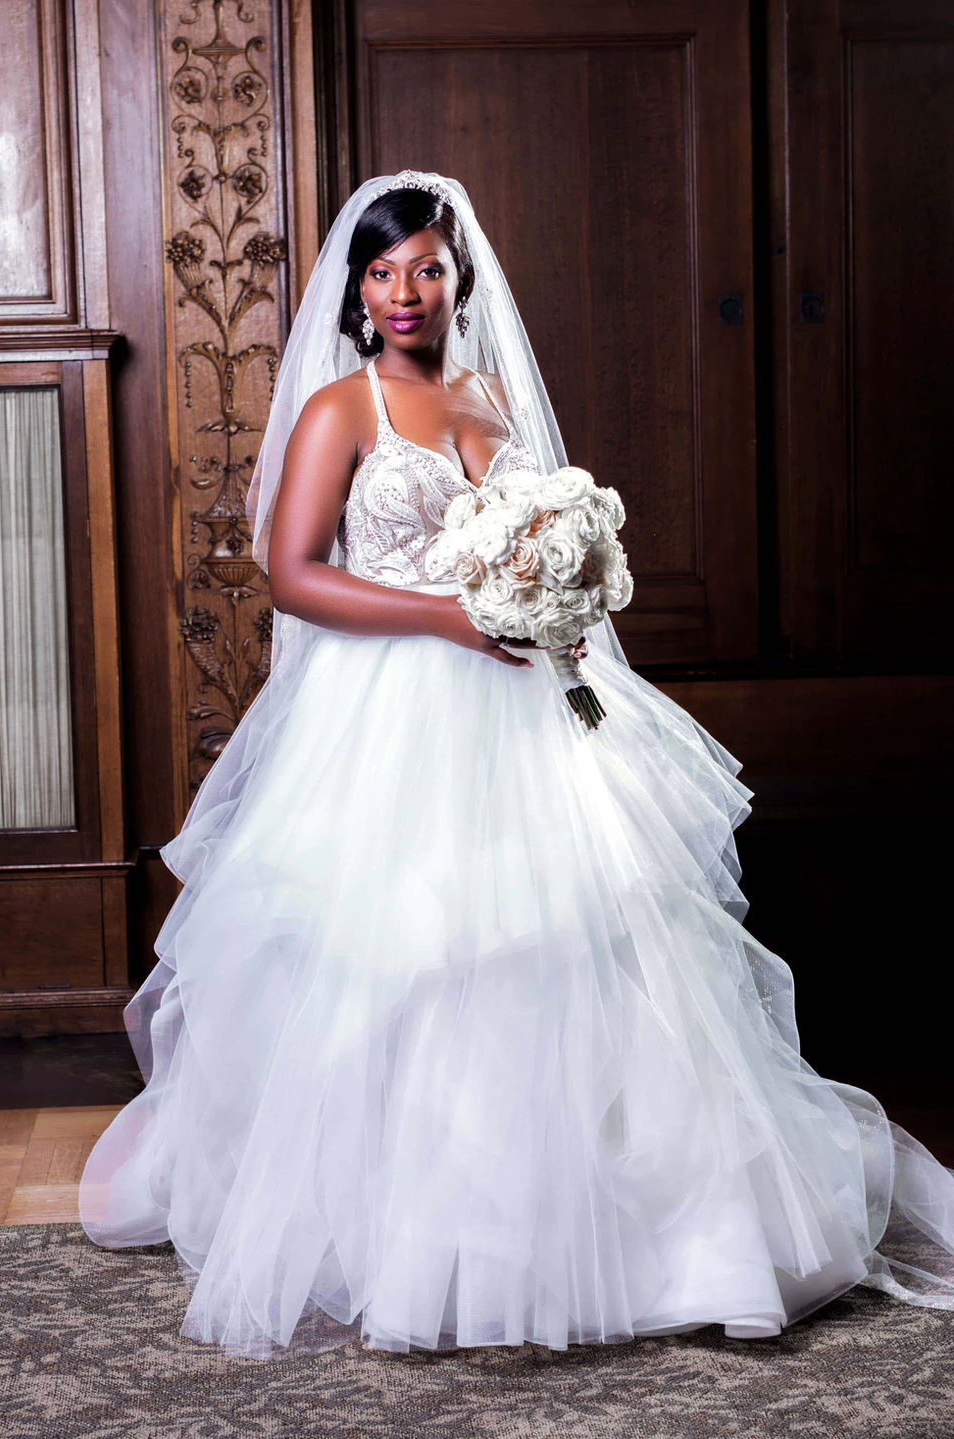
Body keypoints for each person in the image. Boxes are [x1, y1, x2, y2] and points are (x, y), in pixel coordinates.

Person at [79, 170, 954, 1360]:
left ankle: (629, 1225)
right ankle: (413, 1232)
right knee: (418, 945)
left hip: (525, 699)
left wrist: (559, 608)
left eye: (426, 268)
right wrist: (446, 616)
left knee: (588, 935)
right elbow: (292, 574)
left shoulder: (492, 394)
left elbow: (542, 541)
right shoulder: (343, 408)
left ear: (461, 279)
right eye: (382, 271)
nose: (404, 291)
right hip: (390, 714)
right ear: (358, 289)